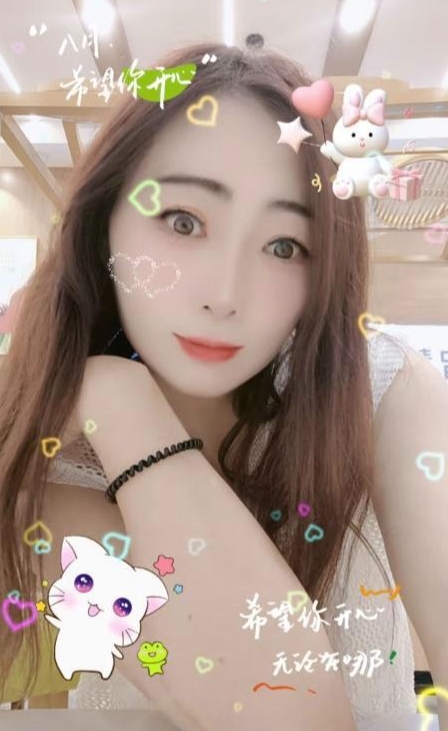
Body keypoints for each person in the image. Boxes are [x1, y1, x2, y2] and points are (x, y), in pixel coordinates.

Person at [0, 42, 447, 731]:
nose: (225, 295)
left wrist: (116, 396)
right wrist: (115, 400)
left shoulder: (384, 389)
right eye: (183, 221)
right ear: (102, 223)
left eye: (284, 246)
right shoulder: (58, 445)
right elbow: (283, 716)